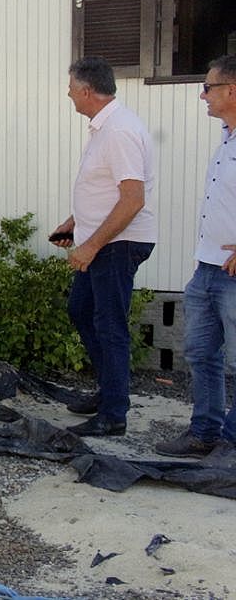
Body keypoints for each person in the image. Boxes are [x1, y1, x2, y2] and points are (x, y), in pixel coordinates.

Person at [49, 56, 156, 438]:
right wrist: (74, 222)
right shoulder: (105, 128)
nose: (67, 94)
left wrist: (91, 245)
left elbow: (132, 198)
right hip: (101, 240)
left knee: (109, 326)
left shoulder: (119, 131)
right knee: (81, 310)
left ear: (86, 91)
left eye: (70, 88)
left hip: (116, 244)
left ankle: (114, 415)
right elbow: (105, 190)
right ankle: (109, 391)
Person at [154, 55, 236, 463]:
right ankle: (205, 434)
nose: (202, 94)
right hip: (206, 269)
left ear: (231, 90)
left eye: (207, 87)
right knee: (201, 354)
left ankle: (232, 444)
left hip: (233, 274)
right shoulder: (226, 140)